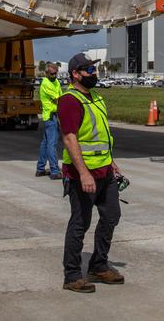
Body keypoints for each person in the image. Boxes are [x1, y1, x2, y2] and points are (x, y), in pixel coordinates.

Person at [58, 52, 124, 293]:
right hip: (81, 175)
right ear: (75, 74)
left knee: (111, 216)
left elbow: (101, 136)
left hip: (105, 171)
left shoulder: (95, 98)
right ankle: (73, 274)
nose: (94, 73)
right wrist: (83, 173)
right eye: (89, 70)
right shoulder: (69, 100)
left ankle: (98, 265)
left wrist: (112, 163)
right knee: (80, 223)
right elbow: (69, 137)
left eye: (94, 69)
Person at [35, 62, 63, 180]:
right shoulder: (46, 84)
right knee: (52, 144)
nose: (55, 75)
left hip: (54, 115)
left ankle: (40, 169)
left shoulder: (55, 81)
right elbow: (58, 99)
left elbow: (61, 96)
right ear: (46, 73)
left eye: (56, 73)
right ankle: (55, 170)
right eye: (52, 74)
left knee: (45, 143)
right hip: (50, 116)